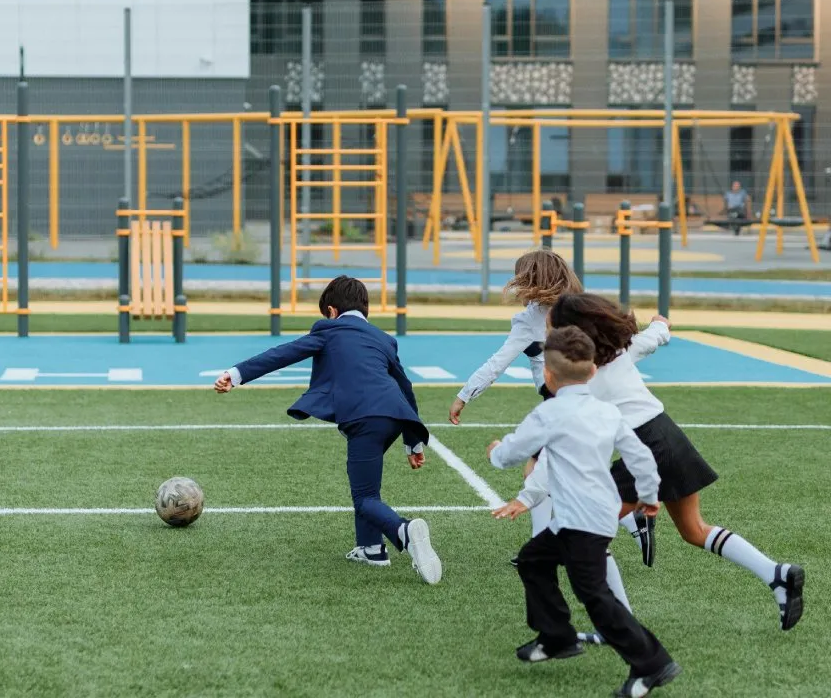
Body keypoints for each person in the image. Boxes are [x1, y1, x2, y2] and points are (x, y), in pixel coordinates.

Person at [550, 293, 806, 631]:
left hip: (648, 449)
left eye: (552, 324)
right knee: (694, 530)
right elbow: (650, 339)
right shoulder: (619, 353)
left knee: (586, 535)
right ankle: (777, 574)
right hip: (669, 437)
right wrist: (660, 325)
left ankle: (618, 624)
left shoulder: (586, 376)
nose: (548, 330)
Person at [489, 326, 681, 698]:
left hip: (582, 522)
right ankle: (557, 637)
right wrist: (649, 494)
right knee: (533, 560)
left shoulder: (549, 413)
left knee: (594, 595)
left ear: (548, 375)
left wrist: (495, 451)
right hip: (591, 516)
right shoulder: (606, 412)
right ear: (594, 371)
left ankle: (652, 662)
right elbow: (639, 454)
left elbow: (512, 453)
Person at [213, 275, 441, 584]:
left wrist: (235, 373)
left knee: (364, 498)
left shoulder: (328, 330)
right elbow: (406, 386)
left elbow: (284, 353)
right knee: (367, 487)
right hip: (394, 417)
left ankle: (404, 532)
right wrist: (413, 443)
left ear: (331, 311)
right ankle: (372, 549)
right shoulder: (383, 338)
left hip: (364, 417)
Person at [448, 250, 654, 567]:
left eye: (521, 280)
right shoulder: (581, 306)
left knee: (539, 470)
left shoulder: (532, 318)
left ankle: (549, 548)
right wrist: (658, 332)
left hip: (561, 399)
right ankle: (627, 522)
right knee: (564, 471)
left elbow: (497, 363)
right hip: (593, 394)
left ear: (533, 282)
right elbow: (625, 342)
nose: (516, 288)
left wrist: (464, 396)